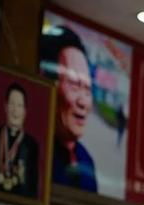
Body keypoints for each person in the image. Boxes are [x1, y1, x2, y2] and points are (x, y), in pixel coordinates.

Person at [39, 26, 97, 192]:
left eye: (87, 89)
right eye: (73, 85)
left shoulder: (86, 161)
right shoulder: (35, 150)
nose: (83, 102)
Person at [0, 82, 39, 197]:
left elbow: (32, 188)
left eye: (19, 105)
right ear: (5, 107)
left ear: (25, 111)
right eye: (12, 104)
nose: (15, 110)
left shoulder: (32, 145)